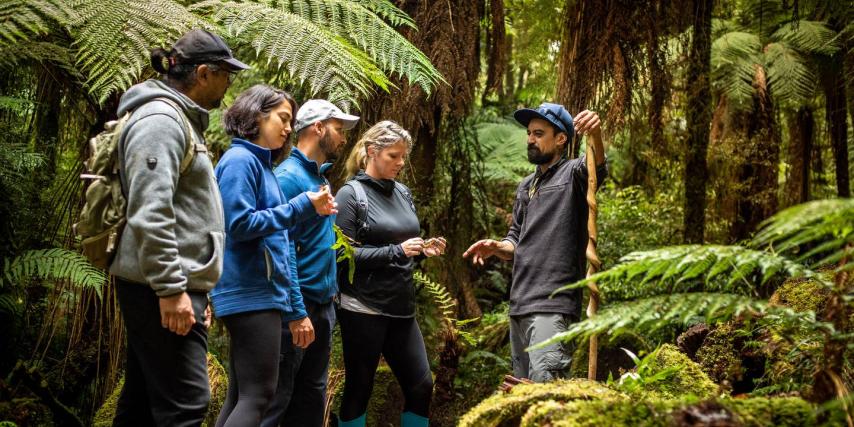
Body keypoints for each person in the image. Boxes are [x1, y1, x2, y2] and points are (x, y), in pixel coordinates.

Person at [109, 29, 249, 427]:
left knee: (140, 404)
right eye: (227, 74)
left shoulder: (179, 120)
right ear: (204, 73)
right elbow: (150, 212)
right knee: (187, 402)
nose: (230, 83)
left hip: (169, 284)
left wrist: (195, 288)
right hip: (159, 287)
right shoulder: (161, 122)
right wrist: (172, 290)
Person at [211, 85, 337, 427]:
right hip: (250, 292)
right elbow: (238, 223)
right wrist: (301, 206)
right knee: (259, 396)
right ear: (256, 115)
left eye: (291, 120)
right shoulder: (241, 161)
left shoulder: (260, 165)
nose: (287, 127)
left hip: (257, 292)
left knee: (243, 396)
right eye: (282, 118)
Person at [463, 103, 606, 383]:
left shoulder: (574, 173)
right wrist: (497, 247)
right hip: (519, 303)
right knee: (522, 391)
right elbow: (515, 239)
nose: (530, 139)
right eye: (529, 133)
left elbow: (596, 166)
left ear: (561, 138)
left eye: (539, 133)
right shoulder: (526, 185)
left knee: (545, 388)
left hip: (553, 304)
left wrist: (596, 134)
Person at [334, 120, 446, 427]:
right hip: (362, 306)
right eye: (393, 156)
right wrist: (397, 251)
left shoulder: (404, 193)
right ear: (371, 152)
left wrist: (422, 248)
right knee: (360, 388)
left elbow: (403, 242)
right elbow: (343, 257)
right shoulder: (349, 195)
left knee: (421, 385)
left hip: (401, 308)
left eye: (402, 157)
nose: (400, 163)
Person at [262, 100, 359, 427]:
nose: (344, 138)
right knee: (277, 400)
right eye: (338, 129)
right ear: (318, 128)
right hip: (296, 309)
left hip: (321, 306)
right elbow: (280, 246)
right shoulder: (288, 178)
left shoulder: (320, 179)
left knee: (310, 400)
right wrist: (296, 311)